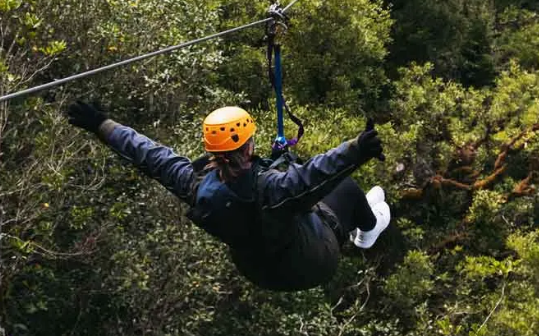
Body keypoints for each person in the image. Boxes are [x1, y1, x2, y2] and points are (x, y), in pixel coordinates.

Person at [66, 102, 391, 291]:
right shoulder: (273, 191)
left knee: (300, 186)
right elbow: (315, 175)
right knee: (344, 189)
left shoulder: (196, 186)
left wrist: (102, 125)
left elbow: (151, 157)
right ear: (249, 144)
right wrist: (357, 149)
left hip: (259, 273)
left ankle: (363, 227)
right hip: (311, 264)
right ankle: (368, 231)